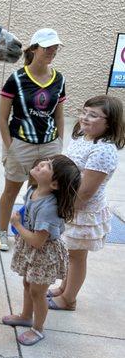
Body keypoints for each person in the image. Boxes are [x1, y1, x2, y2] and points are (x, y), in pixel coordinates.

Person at [47, 95, 125, 310]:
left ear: (110, 122)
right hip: (70, 205)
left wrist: (65, 210)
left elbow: (86, 191)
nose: (85, 118)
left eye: (93, 115)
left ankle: (69, 299)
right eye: (84, 112)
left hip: (81, 210)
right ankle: (63, 288)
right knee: (70, 253)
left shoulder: (103, 151)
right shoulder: (83, 136)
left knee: (76, 257)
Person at [0, 28, 66, 251]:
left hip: (49, 144)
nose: (52, 51)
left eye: (55, 47)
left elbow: (59, 114)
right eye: (48, 47)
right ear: (34, 49)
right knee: (11, 190)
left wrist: (59, 143)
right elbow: (2, 116)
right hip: (21, 143)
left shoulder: (59, 79)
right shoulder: (16, 79)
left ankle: (30, 234)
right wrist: (10, 148)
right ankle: (2, 232)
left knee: (40, 193)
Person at [2, 155, 81, 346]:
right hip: (33, 249)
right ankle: (26, 316)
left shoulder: (49, 208)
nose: (41, 163)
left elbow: (38, 241)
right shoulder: (33, 190)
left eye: (48, 166)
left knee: (38, 291)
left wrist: (17, 226)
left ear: (54, 184)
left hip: (44, 254)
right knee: (28, 284)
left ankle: (38, 329)